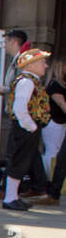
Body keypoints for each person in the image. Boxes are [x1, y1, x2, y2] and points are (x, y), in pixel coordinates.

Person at [2, 47, 52, 211]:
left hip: (27, 126)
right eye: (42, 62)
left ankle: (13, 196)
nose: (45, 66)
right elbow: (19, 108)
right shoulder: (27, 82)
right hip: (25, 127)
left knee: (23, 161)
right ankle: (10, 198)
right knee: (19, 161)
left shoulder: (30, 81)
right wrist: (31, 126)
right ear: (31, 65)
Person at [43, 59, 66, 205]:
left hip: (61, 122)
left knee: (61, 157)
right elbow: (61, 103)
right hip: (55, 122)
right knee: (58, 155)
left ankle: (53, 193)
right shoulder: (54, 85)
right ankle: (52, 190)